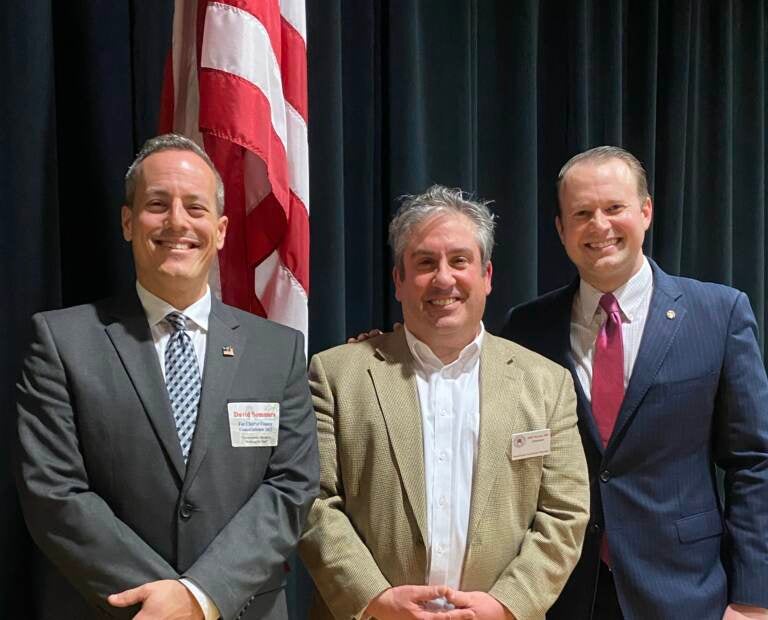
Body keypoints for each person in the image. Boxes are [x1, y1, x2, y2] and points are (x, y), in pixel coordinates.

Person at [14, 133, 319, 620]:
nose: (178, 221)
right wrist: (161, 598)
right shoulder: (61, 341)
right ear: (128, 222)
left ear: (220, 230)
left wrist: (201, 595)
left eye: (195, 208)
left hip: (240, 609)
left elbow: (291, 486)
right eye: (158, 204)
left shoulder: (277, 351)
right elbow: (53, 492)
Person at [299, 185, 589, 620]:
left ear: (487, 276)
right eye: (424, 263)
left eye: (459, 260)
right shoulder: (334, 375)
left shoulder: (547, 383)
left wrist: (507, 604)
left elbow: (564, 511)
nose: (444, 279)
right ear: (398, 280)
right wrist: (375, 599)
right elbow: (313, 502)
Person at [502, 146, 768, 620]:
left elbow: (753, 462)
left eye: (614, 208)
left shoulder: (719, 314)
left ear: (645, 212)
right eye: (582, 213)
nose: (599, 225)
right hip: (563, 594)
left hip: (686, 593)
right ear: (561, 230)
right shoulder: (527, 328)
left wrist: (752, 600)